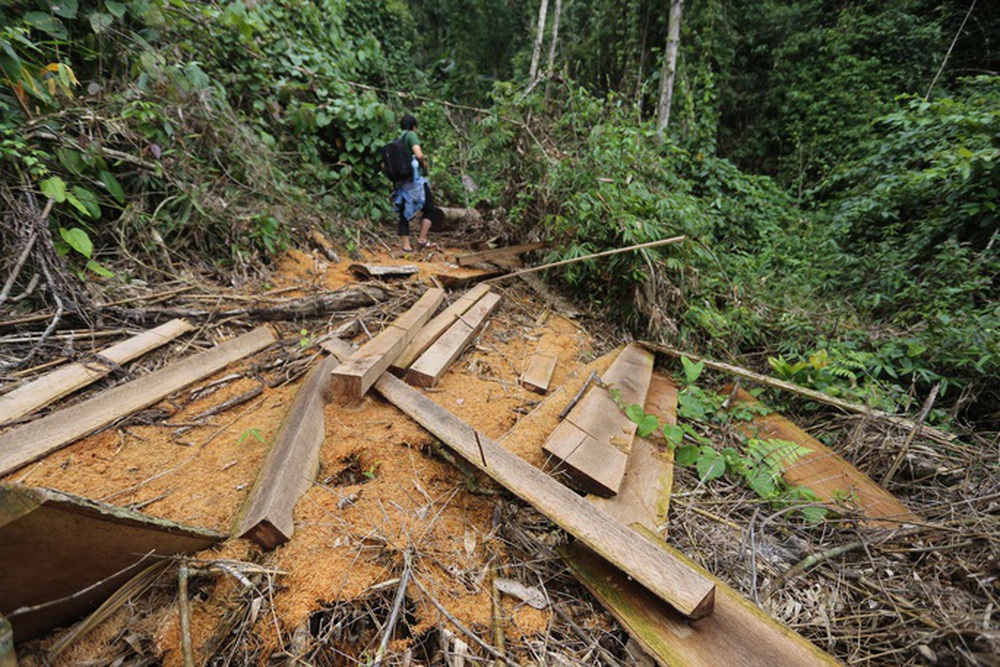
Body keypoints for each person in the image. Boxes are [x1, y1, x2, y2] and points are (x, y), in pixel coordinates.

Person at [392, 114, 444, 253]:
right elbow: (419, 154)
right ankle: (422, 239)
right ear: (414, 127)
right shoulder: (411, 135)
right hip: (414, 181)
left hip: (400, 182)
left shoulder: (396, 139)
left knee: (403, 213)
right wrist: (424, 163)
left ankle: (406, 246)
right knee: (430, 209)